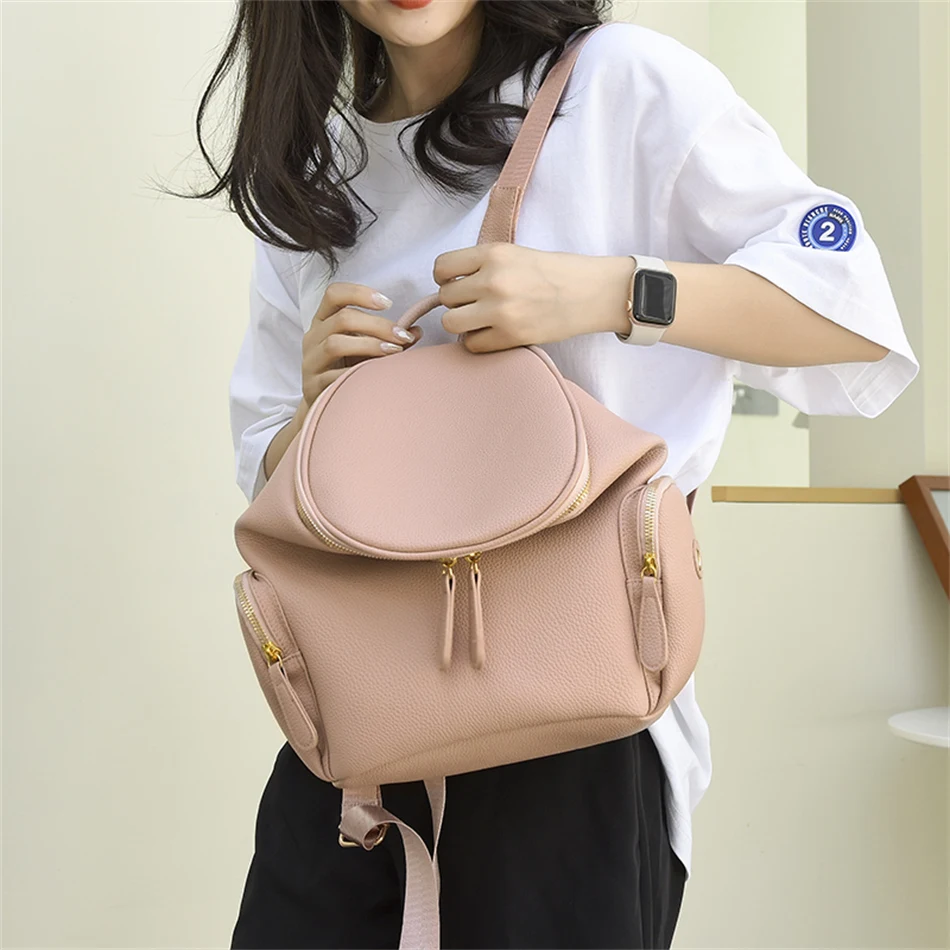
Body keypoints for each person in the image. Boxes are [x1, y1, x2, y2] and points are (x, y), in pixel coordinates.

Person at [219, 2, 918, 947]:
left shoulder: (619, 83)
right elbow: (267, 473)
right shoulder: (316, 166)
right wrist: (319, 414)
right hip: (357, 730)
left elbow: (853, 314)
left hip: (576, 721)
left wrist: (613, 290)